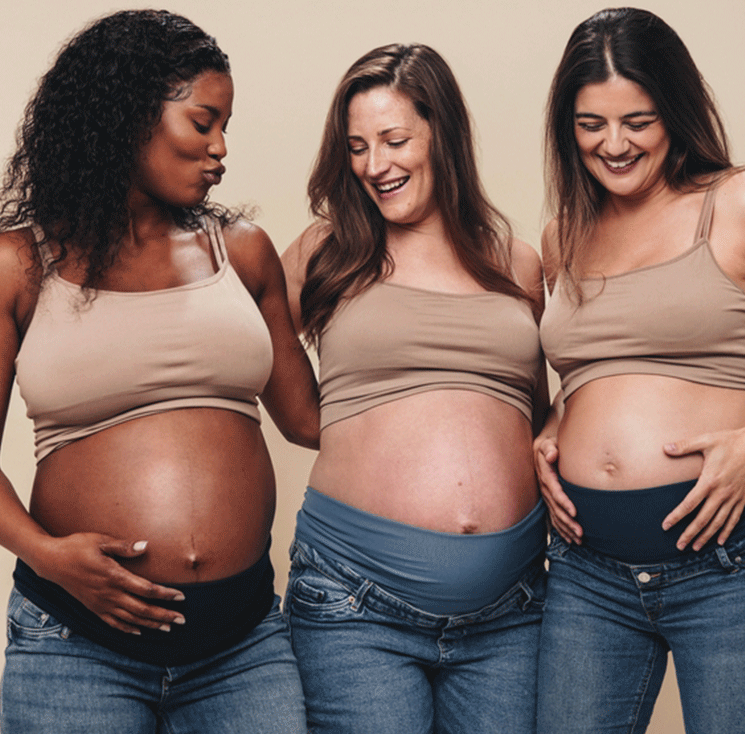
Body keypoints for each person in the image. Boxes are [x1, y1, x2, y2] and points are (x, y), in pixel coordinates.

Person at [0, 10, 316, 733]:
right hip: (76, 648)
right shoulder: (13, 268)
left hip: (242, 647)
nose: (221, 148)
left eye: (225, 126)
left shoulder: (240, 253)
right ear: (129, 116)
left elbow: (309, 419)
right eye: (203, 122)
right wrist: (49, 557)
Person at [533, 8, 745, 734]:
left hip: (732, 566)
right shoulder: (564, 235)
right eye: (591, 125)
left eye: (638, 122)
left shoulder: (742, 202)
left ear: (675, 111)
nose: (614, 145)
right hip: (588, 572)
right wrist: (550, 436)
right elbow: (585, 379)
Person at [279, 43, 548, 734]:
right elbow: (248, 364)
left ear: (443, 135)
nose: (375, 165)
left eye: (395, 140)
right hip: (354, 602)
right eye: (358, 147)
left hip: (510, 608)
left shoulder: (516, 262)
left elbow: (537, 419)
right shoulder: (325, 251)